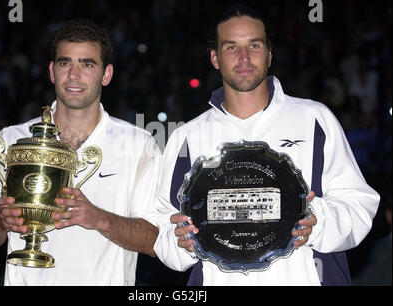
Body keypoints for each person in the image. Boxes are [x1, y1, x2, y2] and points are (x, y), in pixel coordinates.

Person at [153, 4, 380, 285]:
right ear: (215, 58)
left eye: (255, 45)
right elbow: (163, 225)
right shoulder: (186, 137)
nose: (244, 57)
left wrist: (318, 221)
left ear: (270, 54)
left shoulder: (314, 118)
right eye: (231, 47)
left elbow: (360, 206)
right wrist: (181, 244)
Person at [0, 19, 160, 285]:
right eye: (65, 62)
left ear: (107, 74)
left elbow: (154, 239)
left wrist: (98, 218)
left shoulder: (138, 144)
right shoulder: (11, 140)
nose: (74, 74)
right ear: (51, 71)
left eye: (87, 64)